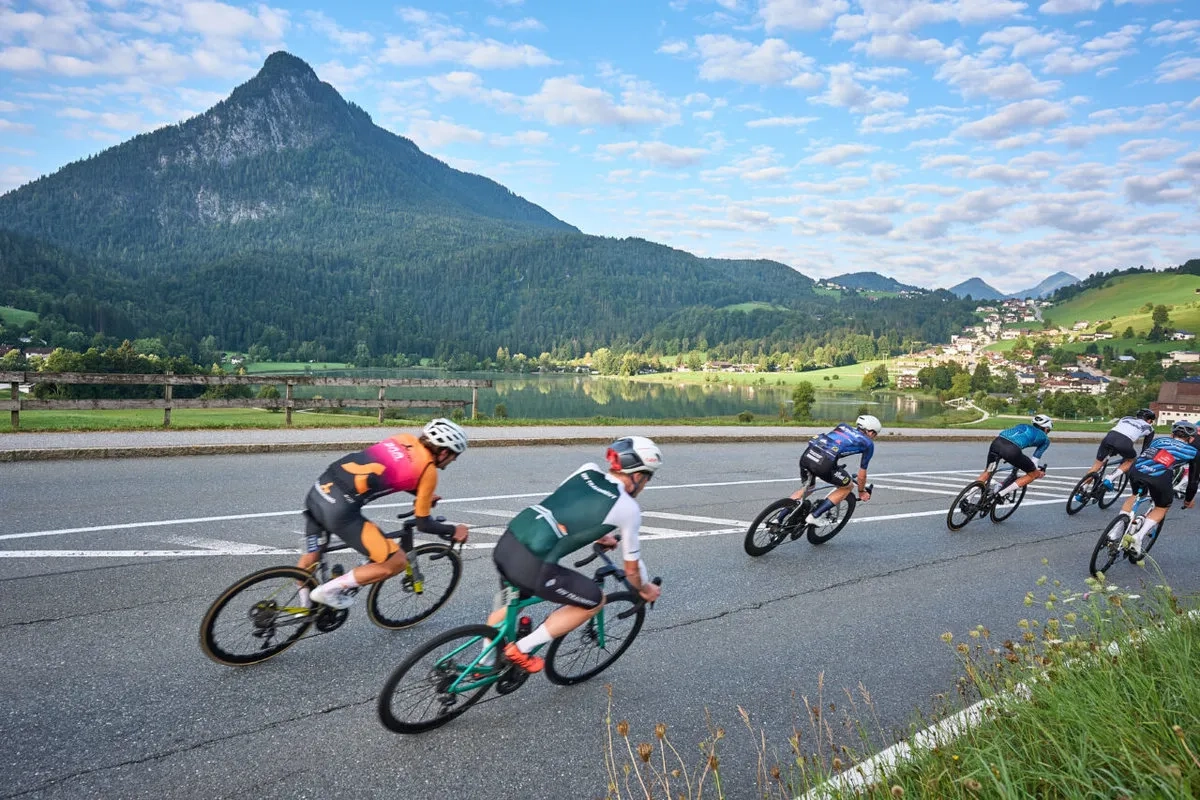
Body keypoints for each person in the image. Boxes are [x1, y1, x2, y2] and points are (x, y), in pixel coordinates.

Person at [484, 436, 664, 673]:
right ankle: (521, 649)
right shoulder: (628, 508)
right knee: (594, 601)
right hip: (534, 564)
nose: (645, 484)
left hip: (508, 544)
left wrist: (600, 535)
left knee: (512, 603)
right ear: (638, 475)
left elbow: (566, 507)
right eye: (648, 477)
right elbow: (631, 570)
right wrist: (644, 589)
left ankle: (483, 663)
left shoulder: (586, 471)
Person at [297, 418, 470, 609]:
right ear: (444, 451)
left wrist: (422, 494)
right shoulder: (428, 471)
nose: (454, 460)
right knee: (396, 562)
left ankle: (304, 609)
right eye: (455, 455)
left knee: (313, 555)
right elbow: (424, 524)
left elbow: (391, 471)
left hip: (319, 490)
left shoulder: (402, 439)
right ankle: (329, 590)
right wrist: (453, 530)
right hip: (339, 511)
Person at [1118, 420, 1198, 562]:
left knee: (1135, 495)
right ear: (1191, 439)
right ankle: (1138, 537)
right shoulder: (1193, 452)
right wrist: (1188, 499)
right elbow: (1193, 480)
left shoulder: (1159, 440)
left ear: (1171, 434)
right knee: (1162, 506)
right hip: (1159, 476)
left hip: (1136, 470)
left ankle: (1115, 531)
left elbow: (1148, 455)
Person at [793, 414, 881, 527]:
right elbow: (862, 475)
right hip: (824, 464)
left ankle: (779, 517)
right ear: (871, 432)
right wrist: (861, 491)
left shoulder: (842, 426)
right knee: (848, 486)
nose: (874, 437)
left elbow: (833, 445)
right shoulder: (868, 444)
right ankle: (814, 516)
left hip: (808, 455)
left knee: (808, 488)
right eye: (875, 434)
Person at [1079, 408, 1156, 496]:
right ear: (1149, 420)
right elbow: (1145, 448)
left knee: (1097, 465)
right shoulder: (1149, 428)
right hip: (1125, 442)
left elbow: (1123, 430)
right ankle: (1110, 478)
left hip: (1109, 437)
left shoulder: (1125, 418)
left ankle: (1082, 488)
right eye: (1151, 421)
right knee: (1132, 460)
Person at [977, 414, 1052, 498]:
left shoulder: (1021, 425)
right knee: (1032, 474)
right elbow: (1034, 461)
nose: (1047, 433)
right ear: (1046, 429)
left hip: (997, 442)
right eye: (1048, 431)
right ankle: (1001, 494)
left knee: (988, 472)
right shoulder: (1045, 440)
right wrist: (1038, 473)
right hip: (1011, 451)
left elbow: (1016, 439)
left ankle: (968, 498)